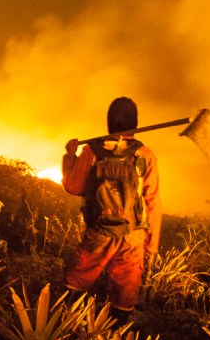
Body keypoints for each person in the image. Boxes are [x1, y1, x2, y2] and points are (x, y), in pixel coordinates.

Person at [61, 97, 162, 324]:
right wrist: (152, 246)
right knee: (126, 292)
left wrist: (70, 156)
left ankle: (64, 331)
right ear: (134, 124)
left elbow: (73, 187)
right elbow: (153, 202)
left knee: (77, 279)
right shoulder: (145, 155)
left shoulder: (91, 150)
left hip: (99, 232)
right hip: (132, 236)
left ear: (109, 123)